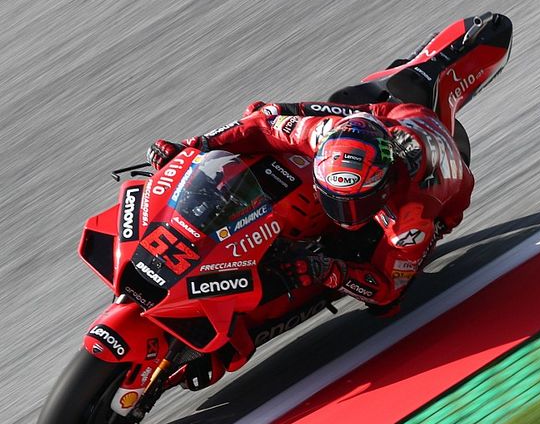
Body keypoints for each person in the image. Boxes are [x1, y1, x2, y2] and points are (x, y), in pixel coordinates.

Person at [147, 97, 474, 317]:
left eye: (353, 204)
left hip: (442, 195)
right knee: (268, 111)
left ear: (383, 187)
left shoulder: (411, 219)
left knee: (380, 302)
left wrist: (330, 271)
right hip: (386, 117)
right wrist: (194, 146)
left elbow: (388, 293)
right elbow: (262, 126)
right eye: (333, 199)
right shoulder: (326, 135)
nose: (340, 212)